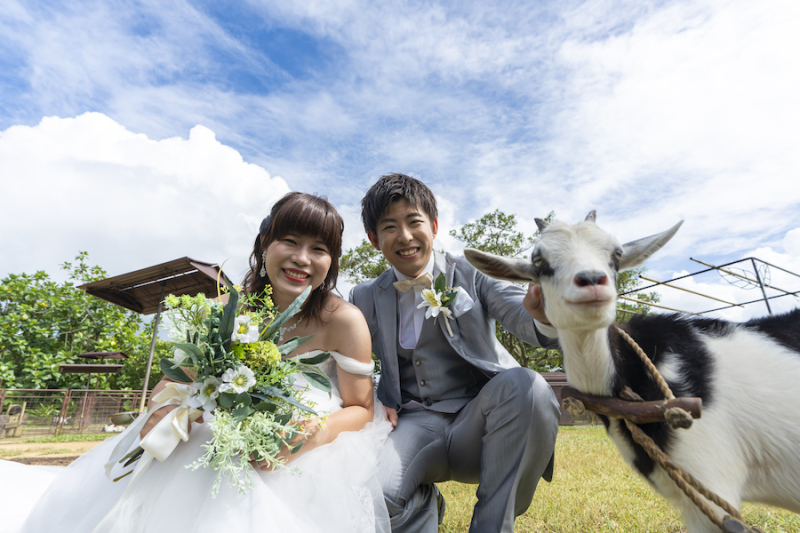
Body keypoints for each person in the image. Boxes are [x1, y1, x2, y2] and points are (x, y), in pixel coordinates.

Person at [0, 192, 392, 533]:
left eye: (319, 249)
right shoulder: (223, 309)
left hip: (306, 447)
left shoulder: (343, 320)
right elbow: (174, 383)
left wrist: (309, 433)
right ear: (264, 244)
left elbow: (360, 407)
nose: (302, 259)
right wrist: (165, 406)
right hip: (212, 436)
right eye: (289, 241)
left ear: (332, 261)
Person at [349, 173, 561, 533]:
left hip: (480, 420)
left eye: (414, 221)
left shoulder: (472, 273)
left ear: (433, 226)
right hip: (412, 424)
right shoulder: (363, 296)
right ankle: (422, 507)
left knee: (530, 385)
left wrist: (546, 315)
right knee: (378, 494)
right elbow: (348, 360)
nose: (404, 236)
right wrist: (369, 402)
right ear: (373, 239)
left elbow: (522, 318)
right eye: (389, 227)